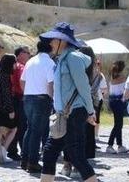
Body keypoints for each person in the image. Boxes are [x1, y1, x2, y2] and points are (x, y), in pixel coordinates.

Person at [38, 22, 98, 182]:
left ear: (62, 41)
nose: (50, 42)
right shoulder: (62, 59)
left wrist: (91, 112)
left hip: (75, 112)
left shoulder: (72, 58)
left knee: (76, 154)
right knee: (50, 152)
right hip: (63, 113)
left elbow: (84, 87)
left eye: (54, 39)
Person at [20, 39, 55, 174]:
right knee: (37, 132)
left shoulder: (30, 61)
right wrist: (53, 99)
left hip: (28, 97)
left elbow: (22, 81)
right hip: (42, 98)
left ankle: (25, 159)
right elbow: (51, 84)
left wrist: (28, 93)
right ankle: (33, 162)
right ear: (50, 48)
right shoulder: (49, 62)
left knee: (30, 129)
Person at [0, 54, 18, 164]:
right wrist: (10, 110)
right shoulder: (5, 76)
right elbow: (6, 94)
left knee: (2, 131)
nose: (16, 64)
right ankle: (2, 152)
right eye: (14, 62)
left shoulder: (0, 74)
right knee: (13, 129)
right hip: (4, 107)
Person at [7, 46, 30, 162]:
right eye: (26, 52)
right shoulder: (21, 67)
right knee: (21, 127)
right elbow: (22, 83)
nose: (29, 54)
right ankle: (17, 151)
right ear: (20, 54)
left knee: (15, 126)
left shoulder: (14, 66)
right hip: (19, 98)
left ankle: (13, 150)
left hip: (13, 98)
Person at [105, 60, 129, 154]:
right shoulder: (123, 78)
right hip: (119, 103)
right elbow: (126, 90)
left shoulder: (112, 77)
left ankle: (120, 145)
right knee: (118, 125)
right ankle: (110, 145)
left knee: (118, 124)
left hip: (113, 102)